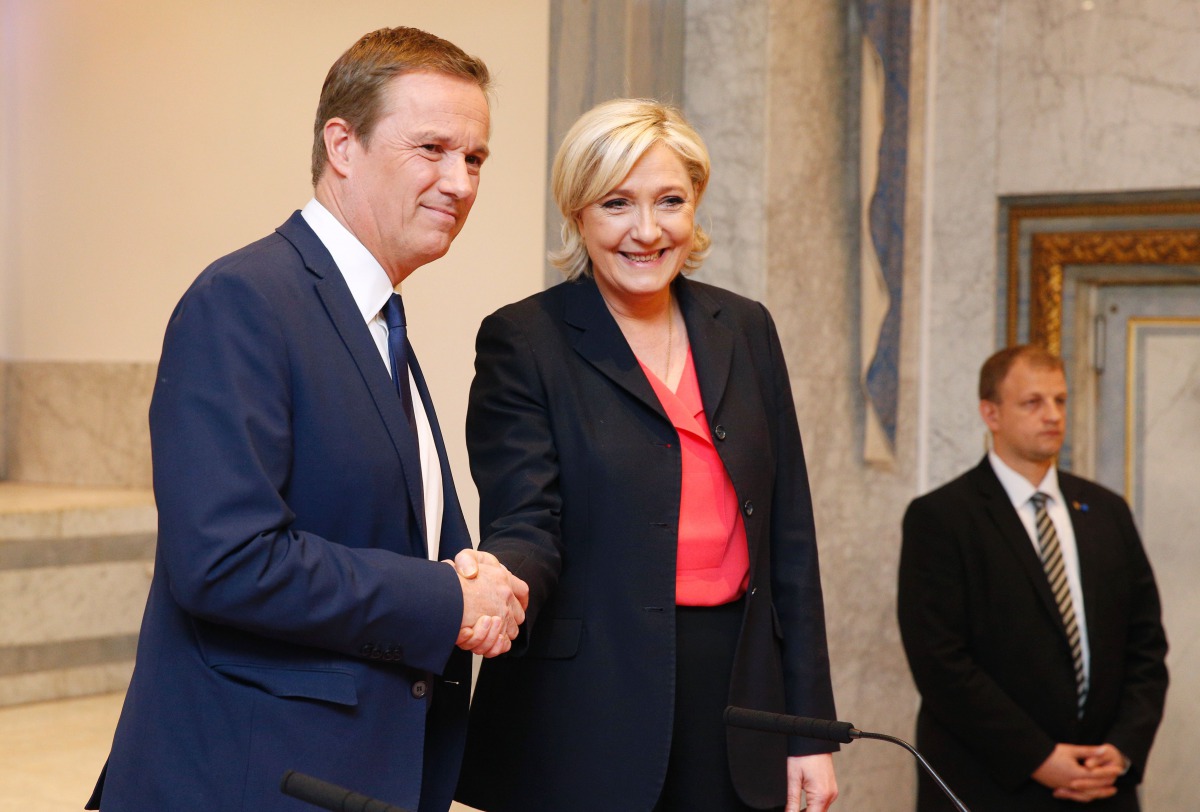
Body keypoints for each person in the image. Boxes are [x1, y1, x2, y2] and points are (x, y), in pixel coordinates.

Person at [86, 27, 527, 812]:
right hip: (257, 777)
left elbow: (382, 518)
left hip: (358, 770)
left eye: (476, 158)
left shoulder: (378, 315)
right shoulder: (246, 300)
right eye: (432, 148)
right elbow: (225, 561)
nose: (459, 181)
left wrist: (470, 566)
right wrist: (443, 600)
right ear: (343, 144)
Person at [454, 98, 839, 812]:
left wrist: (808, 728)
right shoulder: (523, 340)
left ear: (696, 208)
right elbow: (526, 521)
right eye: (616, 203)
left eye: (670, 201)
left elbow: (791, 542)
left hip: (738, 703)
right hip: (580, 710)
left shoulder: (745, 329)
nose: (646, 230)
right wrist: (493, 590)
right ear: (576, 213)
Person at [897, 345, 1169, 811]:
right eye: (1032, 402)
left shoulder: (1106, 511)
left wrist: (1122, 751)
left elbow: (1145, 647)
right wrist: (1037, 757)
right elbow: (940, 663)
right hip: (991, 785)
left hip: (1102, 785)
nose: (1052, 415)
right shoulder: (941, 518)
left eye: (1060, 401)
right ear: (991, 413)